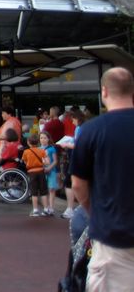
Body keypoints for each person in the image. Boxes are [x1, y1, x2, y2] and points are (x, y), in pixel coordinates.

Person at [71, 66, 134, 292]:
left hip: (113, 237)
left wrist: (94, 212)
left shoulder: (92, 131)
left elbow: (78, 184)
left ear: (104, 91)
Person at [22, 133, 49, 218]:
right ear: (38, 142)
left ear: (28, 142)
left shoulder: (26, 152)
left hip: (31, 172)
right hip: (41, 171)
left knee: (34, 192)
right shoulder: (42, 151)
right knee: (43, 191)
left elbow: (25, 161)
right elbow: (47, 162)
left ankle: (35, 210)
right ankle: (46, 209)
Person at [39, 130, 58, 216]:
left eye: (45, 138)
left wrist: (49, 167)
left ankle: (51, 208)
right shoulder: (38, 149)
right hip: (42, 171)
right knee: (44, 190)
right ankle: (45, 207)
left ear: (48, 139)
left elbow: (55, 161)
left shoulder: (52, 148)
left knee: (51, 189)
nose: (43, 140)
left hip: (51, 171)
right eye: (41, 138)